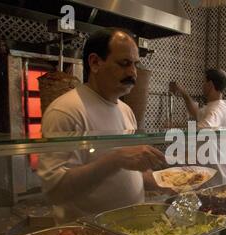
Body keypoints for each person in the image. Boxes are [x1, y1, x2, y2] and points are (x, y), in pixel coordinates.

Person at [38, 28, 167, 222]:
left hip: (132, 229)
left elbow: (134, 174)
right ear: (95, 62)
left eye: (135, 64)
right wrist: (115, 160)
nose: (133, 72)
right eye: (124, 63)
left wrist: (169, 182)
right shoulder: (66, 110)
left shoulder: (126, 110)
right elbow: (54, 191)